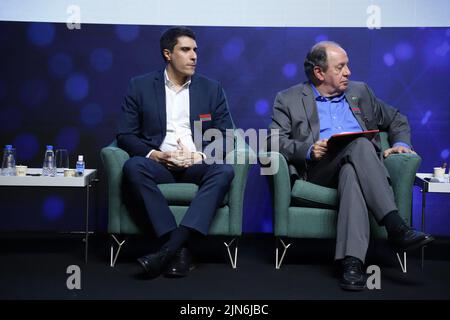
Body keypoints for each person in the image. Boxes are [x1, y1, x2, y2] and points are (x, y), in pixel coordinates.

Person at [268, 41, 434, 291]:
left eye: (347, 65)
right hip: (320, 170)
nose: (349, 72)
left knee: (352, 171)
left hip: (362, 170)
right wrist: (309, 150)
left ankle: (351, 264)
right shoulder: (289, 99)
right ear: (319, 73)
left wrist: (401, 144)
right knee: (360, 145)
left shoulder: (361, 92)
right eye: (341, 67)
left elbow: (397, 119)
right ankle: (395, 227)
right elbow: (273, 140)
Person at [117, 27, 235, 279]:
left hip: (195, 165)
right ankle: (179, 247)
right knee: (133, 167)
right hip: (161, 165)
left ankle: (167, 249)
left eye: (195, 50)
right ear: (168, 54)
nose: (194, 56)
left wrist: (200, 156)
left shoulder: (211, 89)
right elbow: (125, 135)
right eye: (185, 50)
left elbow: (227, 136)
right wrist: (156, 155)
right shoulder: (140, 86)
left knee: (224, 170)